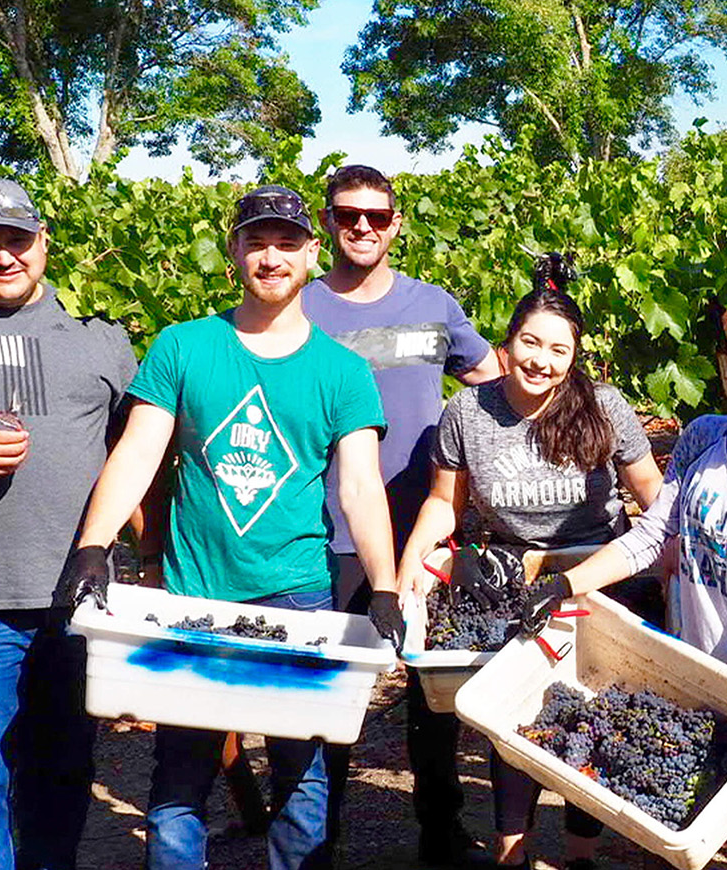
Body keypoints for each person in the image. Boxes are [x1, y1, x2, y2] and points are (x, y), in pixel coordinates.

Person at [56, 184, 402, 870]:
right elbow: (139, 451)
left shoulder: (343, 370)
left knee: (302, 779)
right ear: (233, 252)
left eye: (285, 243)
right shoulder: (185, 347)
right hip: (194, 594)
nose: (271, 257)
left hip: (298, 595)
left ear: (310, 252)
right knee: (180, 780)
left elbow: (361, 486)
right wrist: (94, 545)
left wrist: (387, 585)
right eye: (256, 241)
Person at [529, 279, 727, 869]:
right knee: (678, 837)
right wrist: (563, 584)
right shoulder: (704, 437)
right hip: (701, 679)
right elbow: (652, 537)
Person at [394, 264, 663, 870]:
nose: (541, 360)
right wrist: (412, 561)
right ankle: (510, 852)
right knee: (513, 713)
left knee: (592, 710)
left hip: (600, 577)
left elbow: (652, 495)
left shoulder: (606, 408)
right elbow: (444, 502)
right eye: (531, 343)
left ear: (574, 357)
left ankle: (579, 854)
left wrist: (678, 563)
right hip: (515, 582)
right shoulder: (468, 412)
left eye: (558, 349)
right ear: (505, 345)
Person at [0, 178, 139, 870]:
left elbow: (134, 459)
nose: (2, 256)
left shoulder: (102, 338)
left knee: (60, 779)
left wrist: (151, 565)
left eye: (15, 239)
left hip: (76, 604)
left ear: (42, 241)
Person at [299, 163, 501, 865]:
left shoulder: (435, 305)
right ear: (327, 222)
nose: (361, 226)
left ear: (396, 224)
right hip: (328, 528)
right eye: (347, 214)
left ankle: (440, 833)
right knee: (330, 686)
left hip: (422, 529)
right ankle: (317, 837)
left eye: (375, 216)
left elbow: (492, 381)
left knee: (431, 690)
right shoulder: (300, 306)